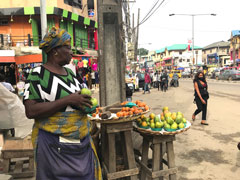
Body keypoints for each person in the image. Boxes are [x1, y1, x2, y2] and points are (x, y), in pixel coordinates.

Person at [23, 27, 102, 180]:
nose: (71, 51)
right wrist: (69, 100)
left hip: (81, 144)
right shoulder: (37, 74)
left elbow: (79, 99)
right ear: (55, 51)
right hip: (53, 147)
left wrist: (85, 105)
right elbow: (30, 111)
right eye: (67, 47)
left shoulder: (71, 74)